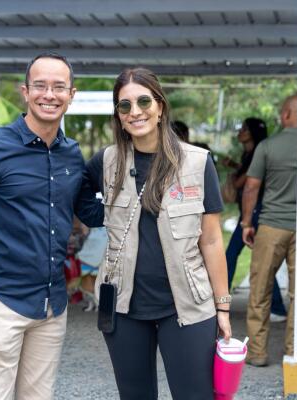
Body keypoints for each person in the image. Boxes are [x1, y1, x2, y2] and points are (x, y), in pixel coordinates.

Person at [0, 53, 103, 400]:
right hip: (0, 301)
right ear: (25, 91)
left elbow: (90, 213)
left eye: (59, 87)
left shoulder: (71, 154)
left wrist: (138, 190)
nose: (50, 94)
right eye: (40, 86)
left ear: (71, 94)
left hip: (52, 305)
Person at [86, 68, 231, 400]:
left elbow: (211, 240)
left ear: (160, 106)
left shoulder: (197, 162)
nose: (135, 112)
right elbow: (73, 192)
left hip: (187, 305)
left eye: (143, 101)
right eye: (125, 106)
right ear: (118, 115)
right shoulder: (106, 161)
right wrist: (99, 216)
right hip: (123, 306)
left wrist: (223, 308)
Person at [242, 94, 297, 367]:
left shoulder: (268, 146)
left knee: (260, 291)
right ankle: (295, 352)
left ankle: (257, 353)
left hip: (271, 226)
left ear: (286, 114)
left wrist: (246, 223)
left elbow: (251, 186)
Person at [223, 118, 286, 320]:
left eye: (244, 128)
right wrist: (235, 166)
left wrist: (234, 175)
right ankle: (276, 307)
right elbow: (246, 170)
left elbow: (244, 182)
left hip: (254, 213)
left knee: (238, 257)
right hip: (251, 213)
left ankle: (220, 302)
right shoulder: (250, 154)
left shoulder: (258, 152)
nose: (240, 131)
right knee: (257, 260)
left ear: (252, 133)